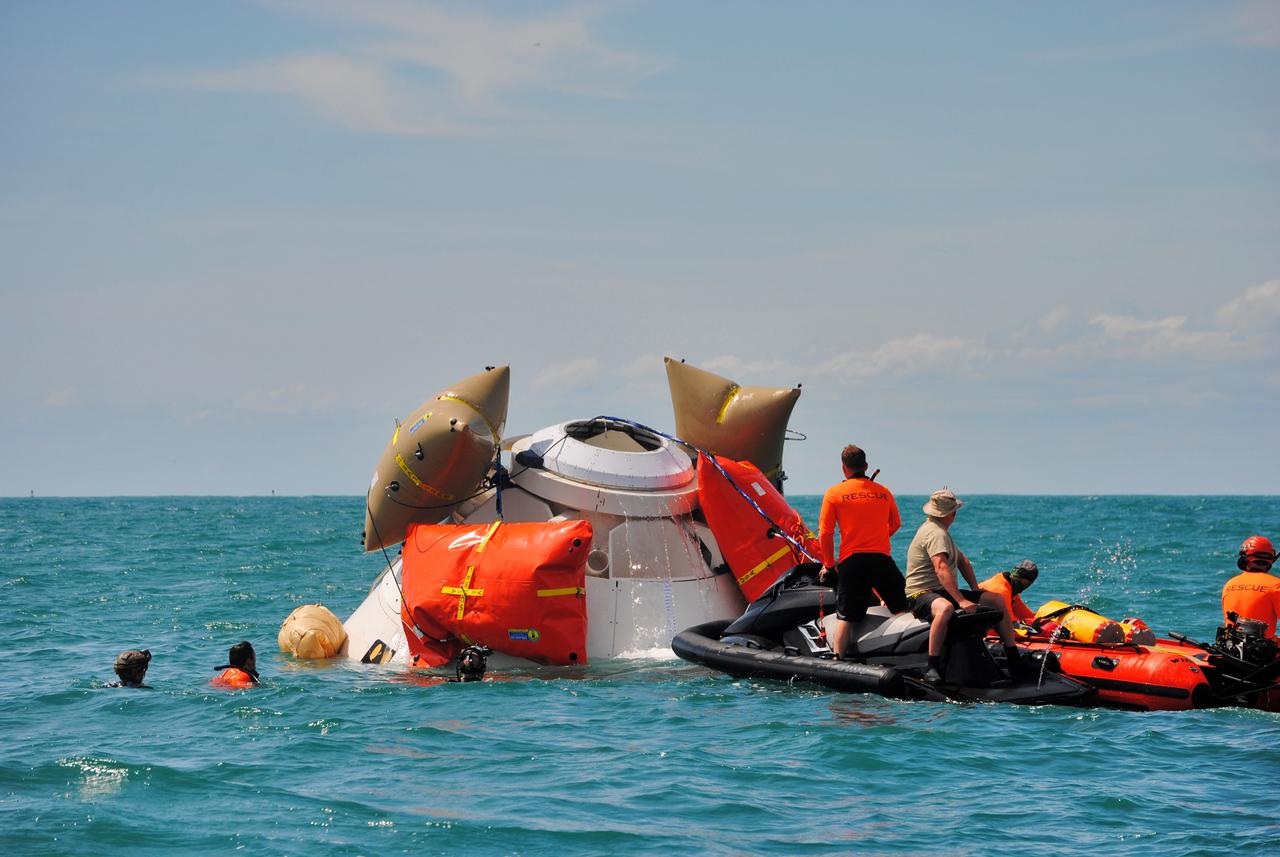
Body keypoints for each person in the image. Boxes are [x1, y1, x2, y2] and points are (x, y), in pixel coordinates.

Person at [904, 488, 1022, 682]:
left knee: (997, 600)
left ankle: (1013, 658)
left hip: (942, 590)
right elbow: (941, 567)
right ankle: (932, 666)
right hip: (921, 593)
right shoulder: (934, 533)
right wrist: (962, 600)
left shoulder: (942, 532)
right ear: (952, 514)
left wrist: (975, 589)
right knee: (946, 608)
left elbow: (962, 561)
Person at [817, 444, 908, 658]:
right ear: (866, 466)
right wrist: (875, 538)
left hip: (852, 562)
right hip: (881, 559)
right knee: (903, 608)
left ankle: (839, 660)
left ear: (843, 468)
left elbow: (826, 533)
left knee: (846, 618)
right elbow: (895, 524)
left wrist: (829, 565)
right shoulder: (883, 492)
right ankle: (909, 651)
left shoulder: (834, 493)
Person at [1222, 535, 1280, 639]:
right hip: (1262, 653)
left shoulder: (1230, 584)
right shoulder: (1276, 585)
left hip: (1229, 648)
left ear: (1244, 559)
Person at [978, 560, 1039, 627]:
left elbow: (1026, 615)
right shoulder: (1002, 590)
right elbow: (1010, 623)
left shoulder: (1009, 586)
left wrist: (1041, 621)